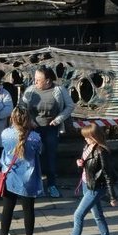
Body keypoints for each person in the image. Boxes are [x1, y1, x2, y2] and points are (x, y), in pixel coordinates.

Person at [58, 123, 117, 235]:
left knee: (78, 215)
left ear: (95, 137)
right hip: (87, 184)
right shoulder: (88, 147)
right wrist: (81, 164)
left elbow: (108, 175)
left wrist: (112, 197)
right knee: (97, 215)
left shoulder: (101, 151)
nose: (85, 139)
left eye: (88, 137)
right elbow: (89, 166)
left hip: (96, 188)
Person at [21, 65, 73, 198]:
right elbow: (21, 107)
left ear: (48, 81)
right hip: (33, 128)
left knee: (50, 156)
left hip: (51, 128)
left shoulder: (59, 90)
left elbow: (70, 106)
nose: (35, 82)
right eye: (35, 79)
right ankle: (35, 184)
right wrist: (29, 120)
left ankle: (51, 185)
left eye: (39, 80)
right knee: (33, 157)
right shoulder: (31, 90)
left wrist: (58, 119)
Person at [0, 105, 42, 235]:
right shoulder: (35, 137)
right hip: (28, 178)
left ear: (12, 119)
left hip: (10, 175)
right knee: (29, 210)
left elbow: (5, 148)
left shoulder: (6, 133)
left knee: (7, 208)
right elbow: (40, 150)